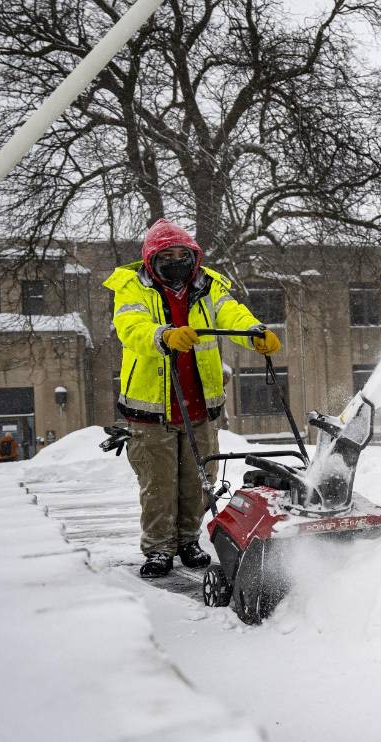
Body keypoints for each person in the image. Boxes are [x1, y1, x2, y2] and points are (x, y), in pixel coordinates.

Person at [104, 219, 281, 578]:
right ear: (151, 259)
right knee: (158, 485)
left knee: (198, 481)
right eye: (166, 255)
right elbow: (131, 327)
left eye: (182, 254)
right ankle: (158, 549)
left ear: (193, 257)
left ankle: (187, 541)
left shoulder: (208, 286)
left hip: (198, 404)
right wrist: (163, 335)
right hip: (152, 409)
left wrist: (254, 333)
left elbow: (232, 313)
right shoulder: (132, 288)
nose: (175, 261)